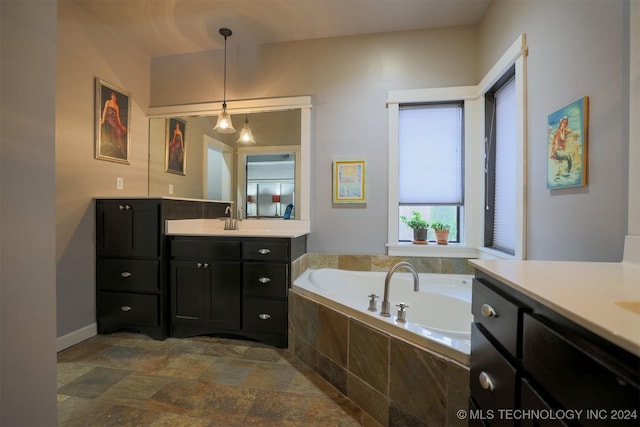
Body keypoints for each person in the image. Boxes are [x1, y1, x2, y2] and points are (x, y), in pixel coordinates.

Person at [100, 91, 127, 158]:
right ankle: (121, 148)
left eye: (115, 97)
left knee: (122, 130)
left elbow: (118, 117)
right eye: (113, 96)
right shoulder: (108, 102)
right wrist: (103, 120)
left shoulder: (117, 106)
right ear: (111, 96)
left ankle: (121, 147)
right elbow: (105, 111)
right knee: (118, 130)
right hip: (109, 118)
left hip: (115, 120)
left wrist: (121, 125)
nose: (114, 98)